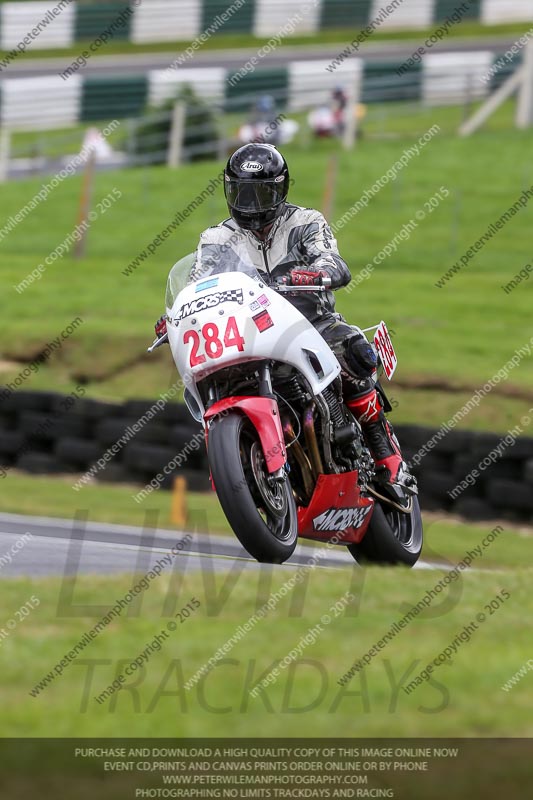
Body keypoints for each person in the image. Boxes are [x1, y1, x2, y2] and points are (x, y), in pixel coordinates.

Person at [156, 143, 414, 490]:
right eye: (242, 193)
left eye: (260, 193)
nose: (251, 204)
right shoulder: (215, 239)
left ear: (281, 189)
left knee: (352, 350)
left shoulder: (305, 222)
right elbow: (197, 283)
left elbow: (332, 261)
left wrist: (314, 273)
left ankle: (388, 458)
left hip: (310, 322)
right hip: (251, 330)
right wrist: (175, 313)